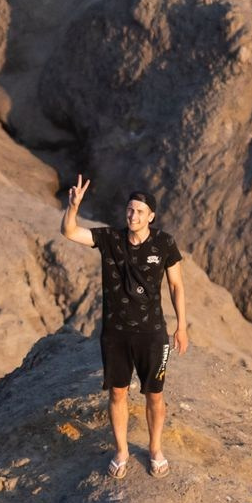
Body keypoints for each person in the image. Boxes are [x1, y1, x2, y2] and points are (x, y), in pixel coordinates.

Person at [61, 177, 190, 478]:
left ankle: (155, 449)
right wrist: (73, 206)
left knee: (154, 395)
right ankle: (121, 451)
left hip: (152, 334)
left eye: (140, 212)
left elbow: (176, 286)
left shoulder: (165, 243)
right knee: (117, 393)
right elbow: (69, 231)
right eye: (130, 210)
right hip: (115, 334)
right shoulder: (110, 239)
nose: (133, 216)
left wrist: (181, 327)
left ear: (151, 217)